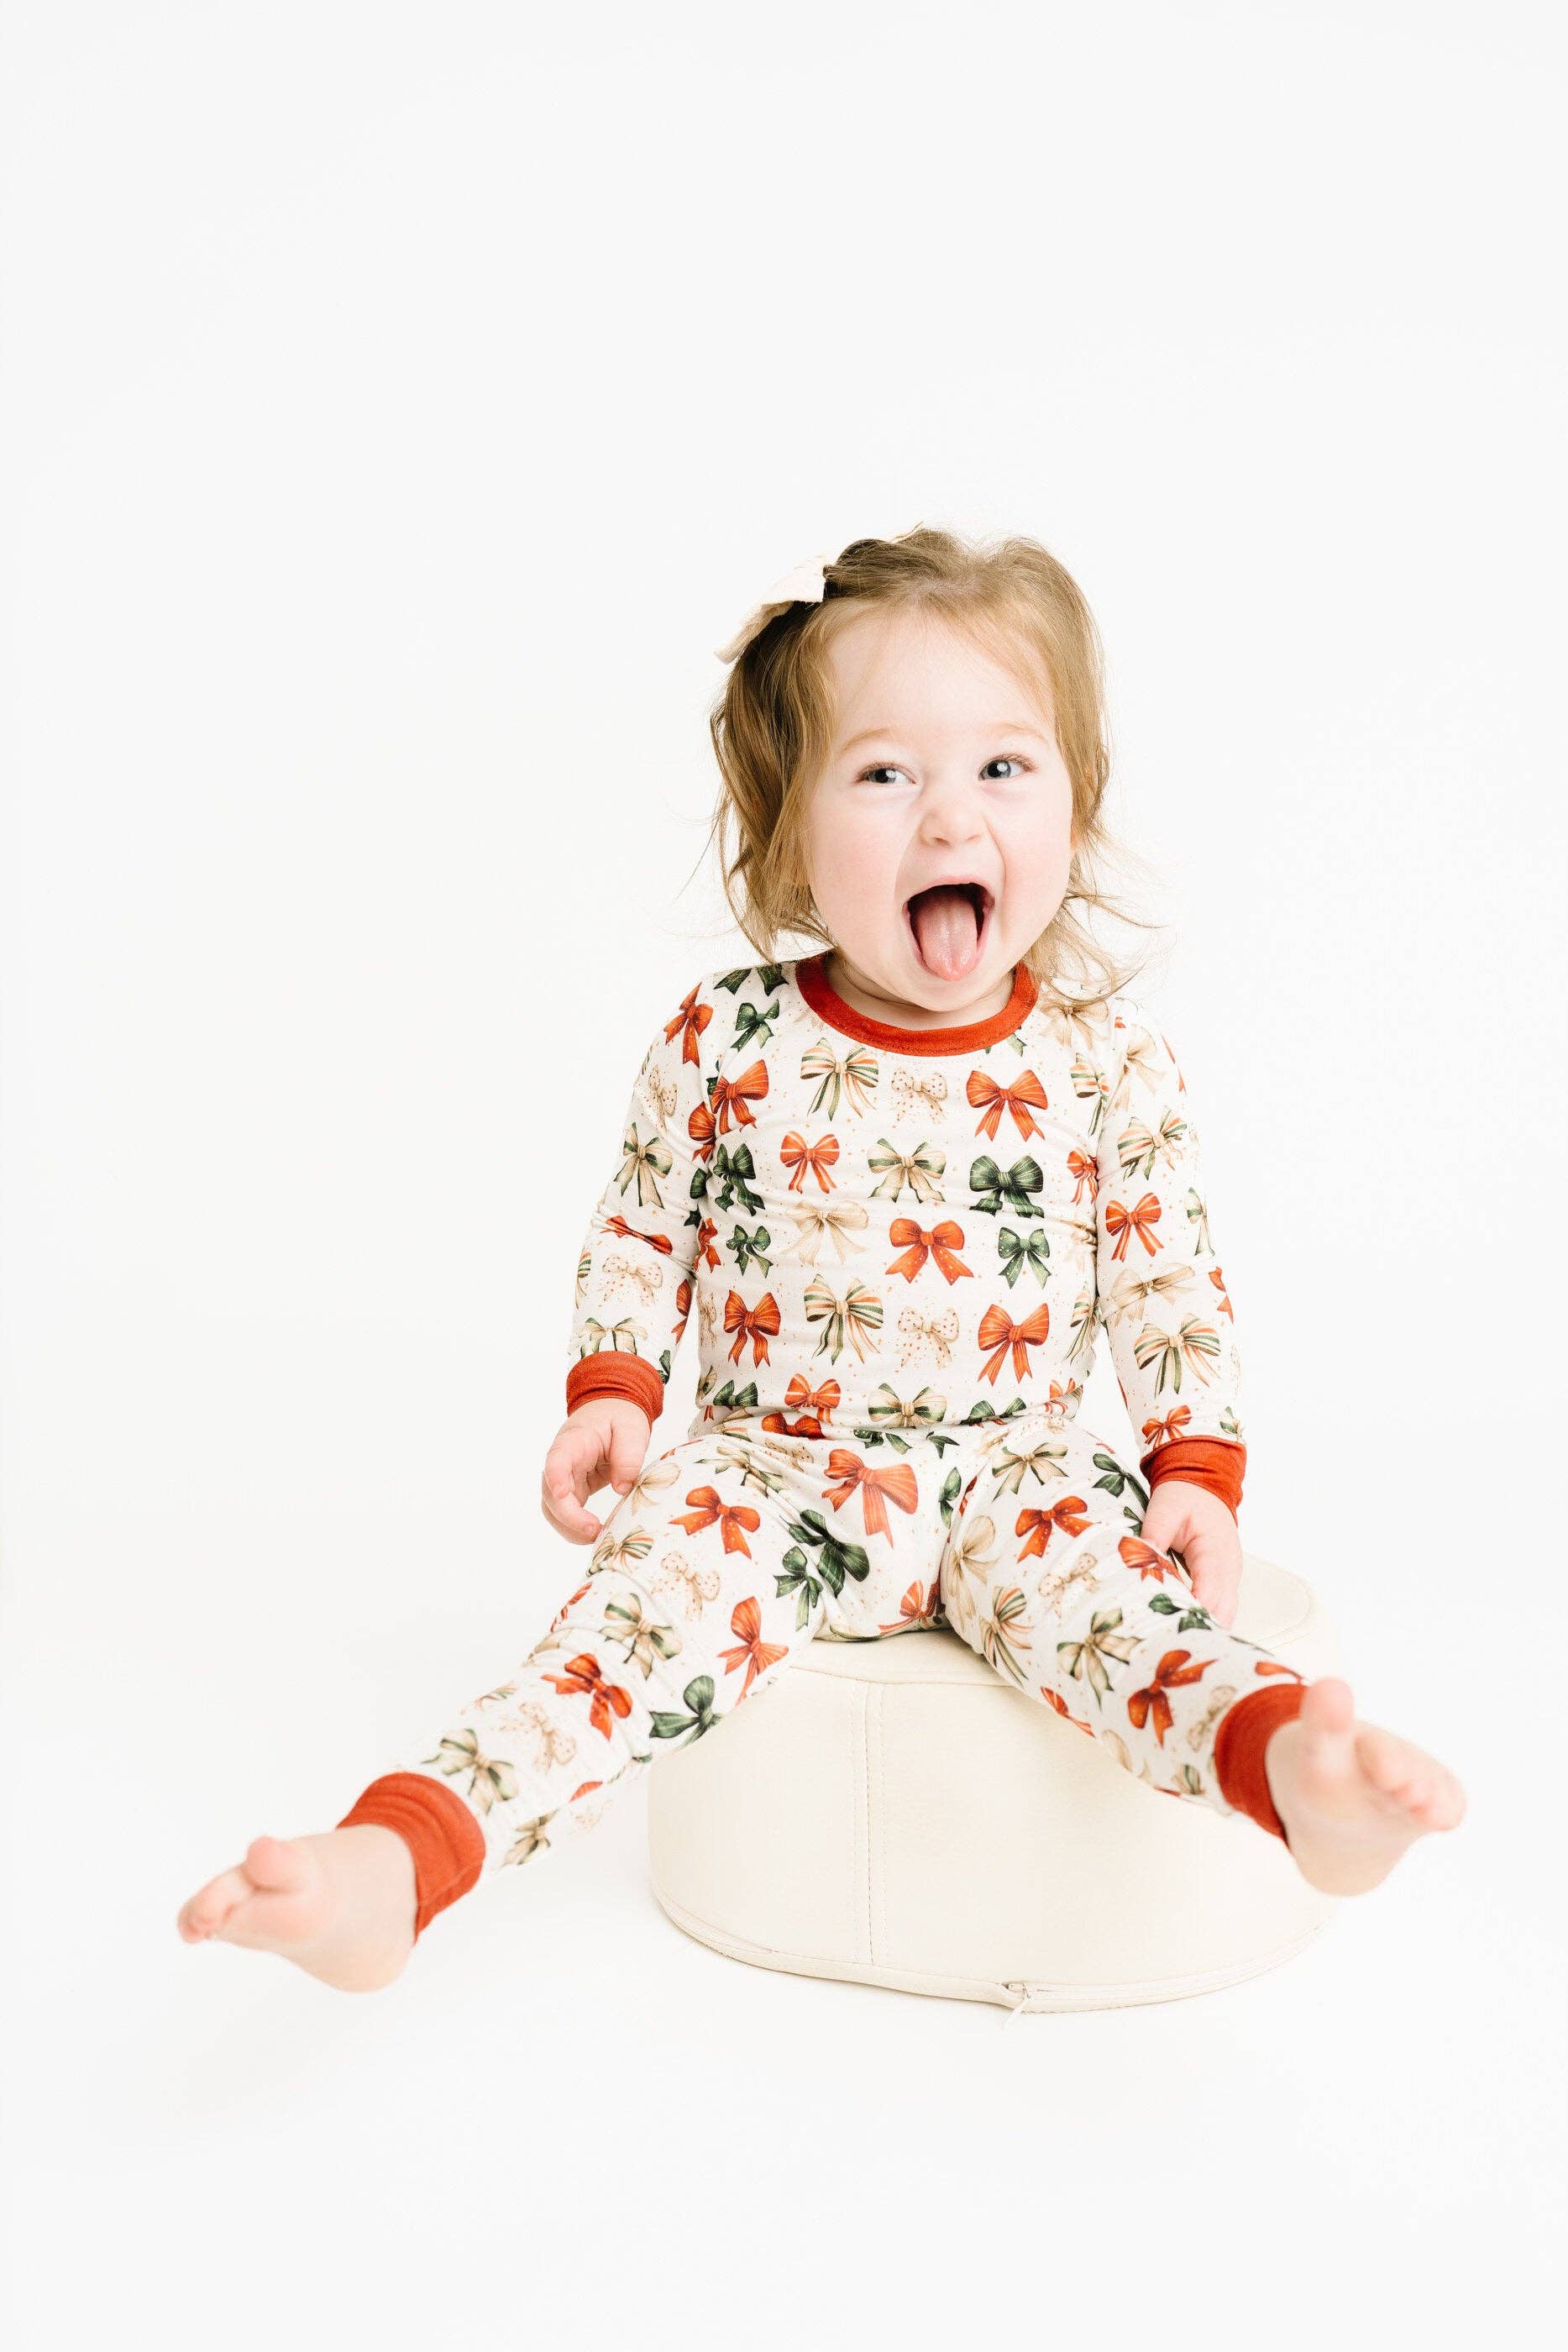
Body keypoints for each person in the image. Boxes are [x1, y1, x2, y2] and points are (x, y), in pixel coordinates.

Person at [176, 528, 1466, 1992]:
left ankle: (1292, 1776)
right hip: (775, 1473)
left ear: (1076, 803)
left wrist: (1195, 1466)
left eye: (1004, 766)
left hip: (1020, 1472)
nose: (951, 816)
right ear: (790, 835)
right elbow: (643, 1225)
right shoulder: (726, 1037)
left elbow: (1166, 1281)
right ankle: (399, 1861)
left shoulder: (1106, 1060)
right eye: (884, 774)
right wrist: (614, 1388)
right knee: (618, 1638)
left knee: (1130, 1627)